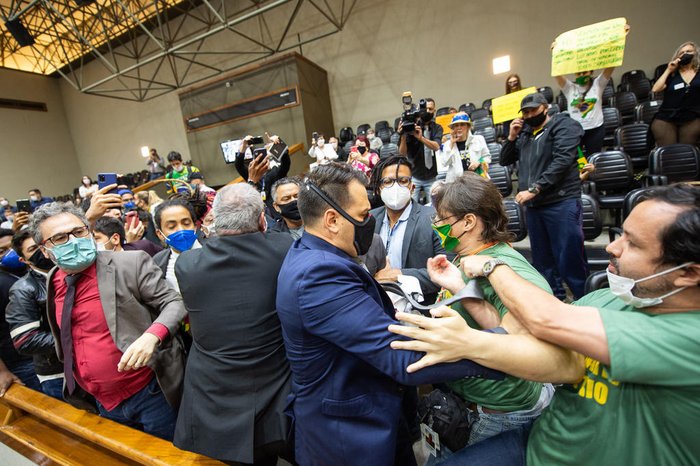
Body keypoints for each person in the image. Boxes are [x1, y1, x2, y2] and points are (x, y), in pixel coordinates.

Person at [389, 183, 700, 465]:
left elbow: (546, 320)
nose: (611, 246)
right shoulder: (606, 299)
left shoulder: (691, 338)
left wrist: (487, 278)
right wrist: (463, 300)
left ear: (689, 272)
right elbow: (563, 361)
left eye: (633, 244)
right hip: (540, 441)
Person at [276, 163, 503, 466]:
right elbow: (400, 356)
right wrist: (504, 348)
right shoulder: (319, 274)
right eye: (361, 216)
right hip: (348, 438)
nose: (368, 222)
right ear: (332, 219)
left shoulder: (318, 255)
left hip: (371, 414)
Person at [421, 174, 580, 461]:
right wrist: (458, 287)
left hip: (498, 413)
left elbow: (518, 343)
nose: (437, 225)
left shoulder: (508, 270)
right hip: (469, 400)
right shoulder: (469, 255)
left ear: (468, 222)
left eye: (442, 218)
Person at [28, 202, 186, 440]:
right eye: (60, 238)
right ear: (45, 250)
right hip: (100, 400)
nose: (73, 241)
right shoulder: (53, 279)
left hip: (150, 392)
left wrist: (152, 335)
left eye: (79, 232)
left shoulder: (129, 263)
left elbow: (174, 302)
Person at [173, 184, 294, 465]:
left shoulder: (187, 264)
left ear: (214, 221)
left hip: (217, 397)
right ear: (263, 219)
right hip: (277, 388)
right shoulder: (284, 248)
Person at [501, 92, 588, 300]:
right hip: (535, 207)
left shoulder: (564, 126)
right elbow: (505, 160)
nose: (530, 115)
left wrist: (535, 189)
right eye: (526, 112)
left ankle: (585, 300)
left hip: (561, 201)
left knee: (569, 257)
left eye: (533, 110)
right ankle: (554, 299)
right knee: (542, 261)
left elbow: (563, 161)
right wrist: (512, 136)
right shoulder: (525, 134)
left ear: (545, 108)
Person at [369, 156, 446, 304]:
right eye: (388, 181)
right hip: (377, 304)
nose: (395, 187)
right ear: (379, 189)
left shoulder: (434, 219)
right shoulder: (370, 219)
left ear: (412, 187)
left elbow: (447, 270)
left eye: (403, 181)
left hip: (420, 308)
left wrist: (398, 275)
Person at [6, 229, 64, 399]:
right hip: (57, 372)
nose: (41, 252)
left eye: (42, 245)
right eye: (32, 249)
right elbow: (25, 340)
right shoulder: (23, 289)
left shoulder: (70, 272)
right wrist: (74, 338)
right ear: (23, 260)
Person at [0, 228, 42, 396]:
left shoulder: (32, 271)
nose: (10, 254)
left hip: (44, 354)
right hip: (22, 362)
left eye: (12, 248)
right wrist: (1, 371)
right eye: (2, 251)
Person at [555, 66, 616, 156]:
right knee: (578, 159)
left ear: (591, 72)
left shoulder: (598, 84)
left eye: (585, 73)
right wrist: (555, 55)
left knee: (593, 159)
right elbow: (556, 73)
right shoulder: (569, 88)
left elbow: (610, 68)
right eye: (578, 74)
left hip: (595, 129)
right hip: (575, 131)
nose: (582, 75)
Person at [651, 41, 700, 146]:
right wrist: (669, 70)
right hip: (667, 116)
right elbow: (655, 89)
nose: (685, 54)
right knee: (669, 150)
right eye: (681, 53)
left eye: (688, 51)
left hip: (693, 116)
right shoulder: (673, 73)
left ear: (696, 53)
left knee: (686, 149)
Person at [399, 100, 443, 204]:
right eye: (425, 109)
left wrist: (421, 138)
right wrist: (403, 135)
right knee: (409, 205)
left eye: (430, 109)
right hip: (414, 175)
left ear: (434, 111)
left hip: (431, 175)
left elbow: (436, 147)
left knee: (435, 206)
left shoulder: (437, 128)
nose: (427, 111)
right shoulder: (411, 126)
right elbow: (402, 154)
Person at [152, 199, 201, 293]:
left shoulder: (216, 251)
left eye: (186, 223)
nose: (180, 230)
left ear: (195, 226)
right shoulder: (158, 263)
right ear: (160, 234)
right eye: (171, 226)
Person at [437, 112, 491, 182]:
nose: (459, 128)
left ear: (468, 126)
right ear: (453, 128)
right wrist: (451, 143)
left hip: (477, 181)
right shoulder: (448, 144)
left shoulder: (479, 139)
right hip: (456, 183)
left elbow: (487, 157)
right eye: (456, 125)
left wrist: (478, 162)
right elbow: (444, 163)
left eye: (462, 124)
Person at [93, 216, 163, 257]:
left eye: (96, 238)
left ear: (115, 238)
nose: (93, 243)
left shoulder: (144, 248)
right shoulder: (99, 266)